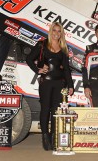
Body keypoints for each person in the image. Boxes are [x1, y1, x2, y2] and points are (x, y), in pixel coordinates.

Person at [26, 22, 74, 151]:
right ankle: (45, 137)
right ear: (50, 31)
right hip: (46, 82)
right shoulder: (42, 45)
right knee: (45, 109)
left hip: (60, 83)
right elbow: (29, 59)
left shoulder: (64, 47)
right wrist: (38, 70)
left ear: (61, 33)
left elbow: (67, 70)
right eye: (54, 30)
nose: (56, 33)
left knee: (55, 111)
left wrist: (70, 85)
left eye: (59, 31)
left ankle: (53, 137)